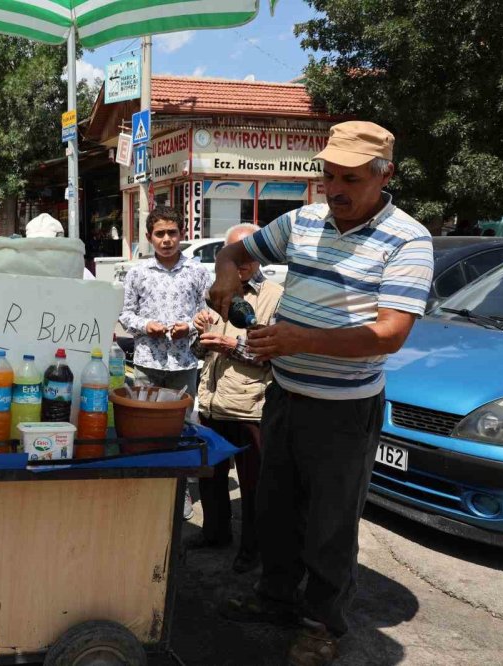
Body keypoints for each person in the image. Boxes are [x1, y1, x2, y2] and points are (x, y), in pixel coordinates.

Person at [210, 121, 434, 665]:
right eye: (328, 175)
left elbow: (390, 334)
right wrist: (225, 280)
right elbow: (236, 248)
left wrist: (295, 338)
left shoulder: (408, 239)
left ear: (385, 176)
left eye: (350, 179)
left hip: (344, 409)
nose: (334, 189)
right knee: (275, 509)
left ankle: (322, 623)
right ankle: (276, 598)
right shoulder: (305, 220)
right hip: (284, 395)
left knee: (329, 525)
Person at [189, 223, 283, 574]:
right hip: (213, 401)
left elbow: (275, 353)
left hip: (250, 407)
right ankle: (215, 534)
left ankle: (252, 551)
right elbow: (199, 350)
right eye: (234, 255)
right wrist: (202, 337)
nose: (241, 263)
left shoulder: (275, 295)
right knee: (210, 477)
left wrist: (232, 345)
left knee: (255, 486)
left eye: (248, 255)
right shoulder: (218, 292)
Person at [118, 205, 210, 392]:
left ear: (182, 234)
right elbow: (124, 314)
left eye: (172, 233)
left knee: (182, 418)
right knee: (147, 416)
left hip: (184, 363)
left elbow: (208, 314)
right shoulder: (137, 273)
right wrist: (146, 326)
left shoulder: (198, 272)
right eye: (160, 234)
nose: (166, 240)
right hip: (147, 364)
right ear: (148, 237)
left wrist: (189, 328)